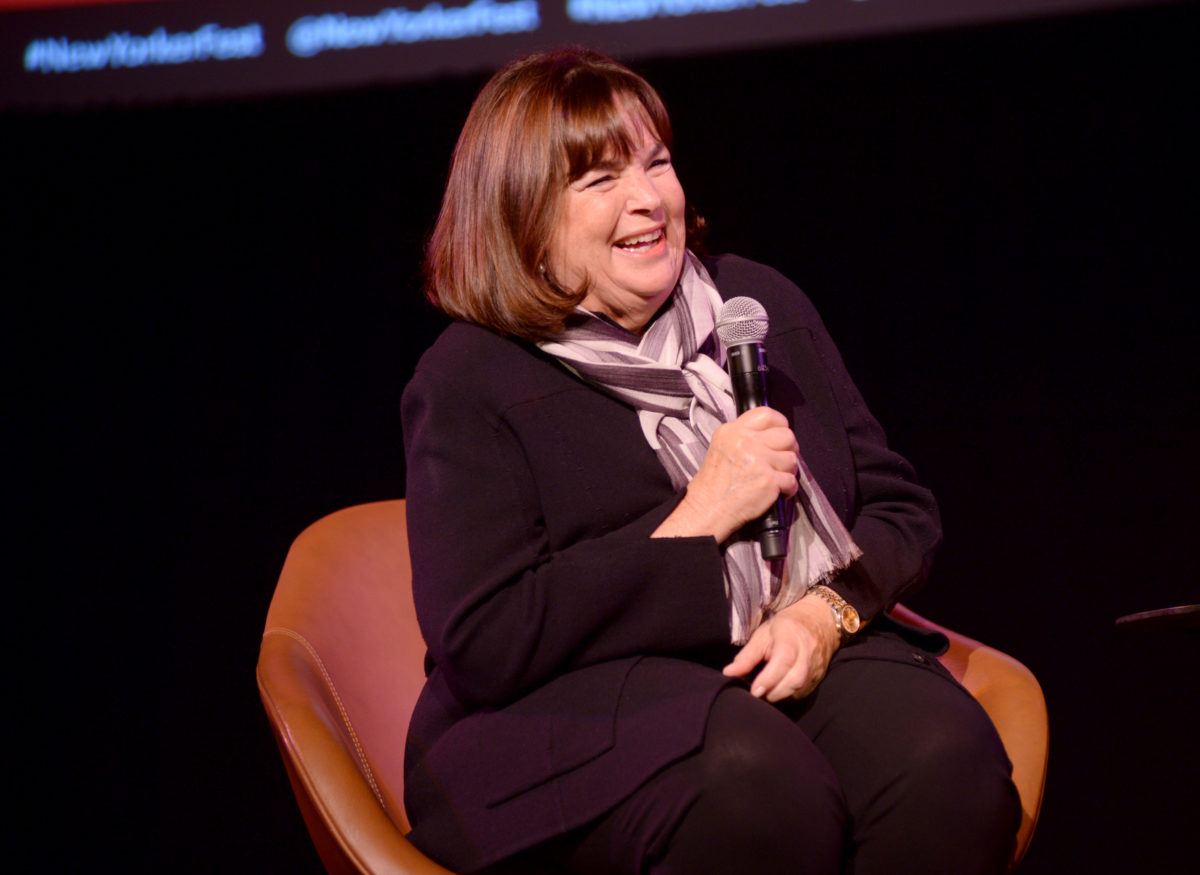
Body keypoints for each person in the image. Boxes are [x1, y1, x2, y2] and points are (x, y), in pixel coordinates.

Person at [401, 48, 1019, 874]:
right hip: (568, 705)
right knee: (755, 787)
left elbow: (898, 510)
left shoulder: (755, 306)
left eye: (656, 162)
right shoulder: (471, 376)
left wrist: (821, 617)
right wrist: (699, 517)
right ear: (523, 217)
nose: (649, 199)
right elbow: (487, 637)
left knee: (947, 761)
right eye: (600, 182)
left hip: (779, 654)